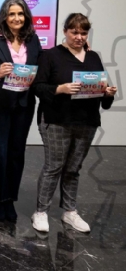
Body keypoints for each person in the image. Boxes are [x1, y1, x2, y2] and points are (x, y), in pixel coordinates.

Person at [31, 13, 117, 233]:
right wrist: (60, 89)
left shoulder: (93, 57)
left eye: (83, 32)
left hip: (86, 121)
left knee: (73, 169)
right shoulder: (50, 55)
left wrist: (107, 92)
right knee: (54, 167)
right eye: (74, 32)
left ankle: (70, 211)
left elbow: (101, 92)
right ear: (65, 31)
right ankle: (41, 211)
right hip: (56, 120)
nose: (79, 37)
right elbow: (38, 87)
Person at [0, 0, 42, 222]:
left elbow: (42, 65)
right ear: (4, 17)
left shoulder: (33, 40)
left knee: (17, 152)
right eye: (11, 14)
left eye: (20, 14)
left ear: (26, 16)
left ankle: (10, 199)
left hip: (24, 105)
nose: (16, 18)